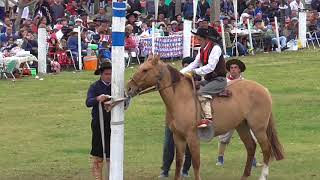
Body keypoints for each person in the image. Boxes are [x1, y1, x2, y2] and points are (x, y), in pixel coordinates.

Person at [215, 59, 262, 167]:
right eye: (231, 68)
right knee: (224, 137)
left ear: (240, 70)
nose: (233, 70)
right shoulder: (224, 81)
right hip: (228, 113)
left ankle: (253, 160)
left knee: (251, 137)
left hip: (243, 113)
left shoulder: (244, 82)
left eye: (235, 68)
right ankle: (220, 158)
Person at [158, 57, 200, 179]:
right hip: (172, 119)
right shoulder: (175, 80)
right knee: (168, 145)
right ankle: (165, 170)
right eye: (185, 65)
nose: (186, 68)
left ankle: (185, 170)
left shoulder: (195, 80)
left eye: (189, 65)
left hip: (186, 120)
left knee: (189, 147)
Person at [180, 28, 227, 128]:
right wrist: (179, 74)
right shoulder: (203, 49)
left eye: (199, 39)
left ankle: (208, 119)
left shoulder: (215, 48)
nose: (197, 41)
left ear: (206, 39)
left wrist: (194, 71)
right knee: (192, 89)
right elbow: (194, 64)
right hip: (209, 80)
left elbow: (210, 67)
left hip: (219, 80)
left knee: (202, 93)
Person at [86, 62, 113, 180]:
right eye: (107, 74)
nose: (109, 76)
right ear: (101, 74)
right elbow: (88, 102)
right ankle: (98, 177)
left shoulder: (116, 86)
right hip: (98, 123)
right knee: (97, 151)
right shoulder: (95, 86)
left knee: (112, 150)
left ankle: (112, 175)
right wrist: (98, 98)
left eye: (111, 74)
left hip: (113, 123)